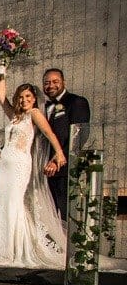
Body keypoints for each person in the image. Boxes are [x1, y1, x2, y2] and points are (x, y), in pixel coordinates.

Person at [0, 68, 68, 269]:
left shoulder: (35, 114)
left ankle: (16, 251)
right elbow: (0, 96)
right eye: (20, 96)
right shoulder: (14, 116)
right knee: (1, 205)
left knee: (14, 203)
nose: (23, 100)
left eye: (27, 96)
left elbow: (49, 134)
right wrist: (2, 68)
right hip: (4, 166)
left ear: (34, 99)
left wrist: (59, 153)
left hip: (19, 164)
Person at [42, 68, 91, 219]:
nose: (51, 86)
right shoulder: (43, 108)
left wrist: (58, 160)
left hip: (65, 170)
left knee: (66, 216)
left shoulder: (76, 102)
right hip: (44, 169)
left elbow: (79, 136)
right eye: (47, 83)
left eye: (55, 81)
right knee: (49, 217)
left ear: (64, 82)